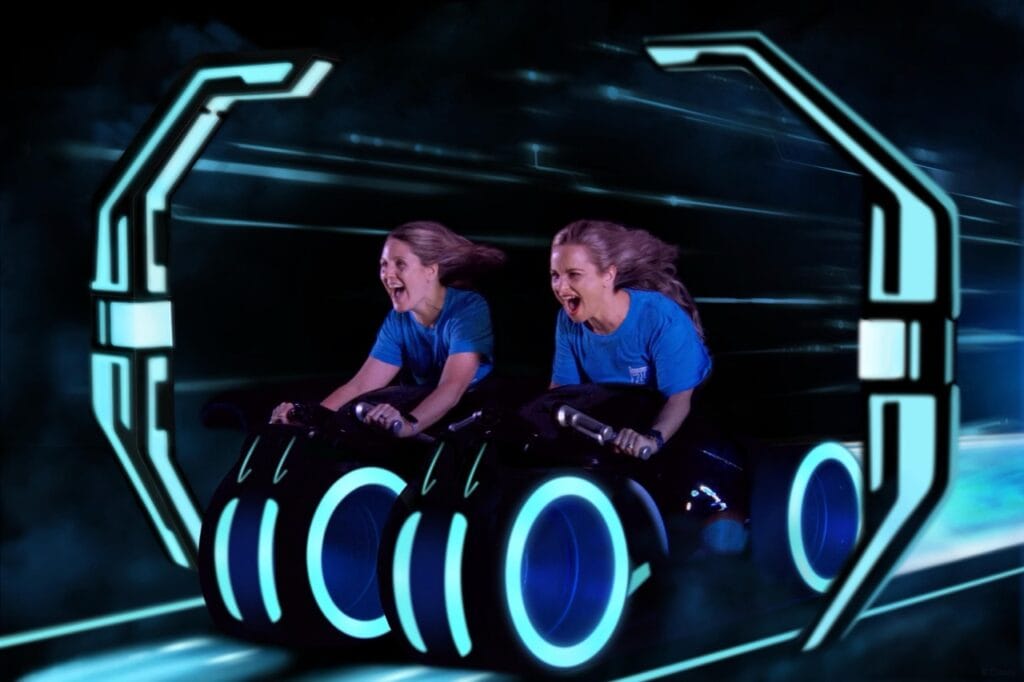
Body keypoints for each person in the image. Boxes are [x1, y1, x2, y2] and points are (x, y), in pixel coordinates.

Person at [270, 221, 504, 437]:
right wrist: (309, 419)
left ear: (431, 271)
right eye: (384, 264)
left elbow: (452, 387)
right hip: (422, 405)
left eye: (400, 264)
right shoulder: (397, 320)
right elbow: (361, 385)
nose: (387, 275)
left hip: (471, 410)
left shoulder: (469, 308)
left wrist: (409, 424)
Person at [547, 219, 710, 458]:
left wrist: (652, 439)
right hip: (618, 423)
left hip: (678, 423)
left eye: (574, 275)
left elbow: (679, 399)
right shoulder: (567, 320)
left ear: (608, 275)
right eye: (555, 275)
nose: (561, 288)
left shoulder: (659, 316)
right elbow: (562, 393)